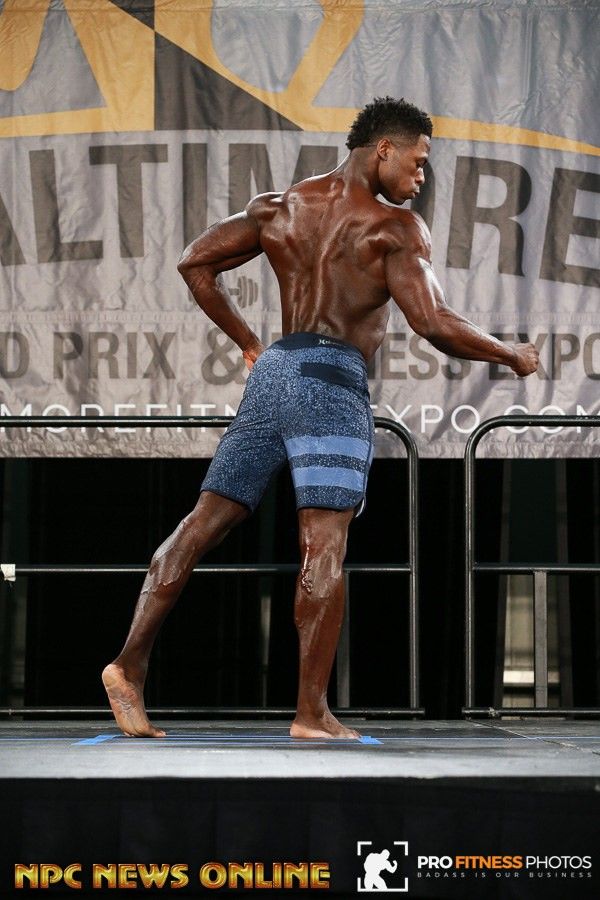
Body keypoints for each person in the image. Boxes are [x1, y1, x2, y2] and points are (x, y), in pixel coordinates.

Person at [102, 96, 539, 739]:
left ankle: (127, 666)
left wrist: (249, 343)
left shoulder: (280, 207)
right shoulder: (394, 229)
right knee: (324, 545)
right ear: (384, 149)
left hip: (274, 375)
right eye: (418, 162)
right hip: (331, 384)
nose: (421, 177)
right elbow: (433, 322)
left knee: (200, 524)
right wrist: (511, 353)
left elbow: (195, 262)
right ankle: (311, 713)